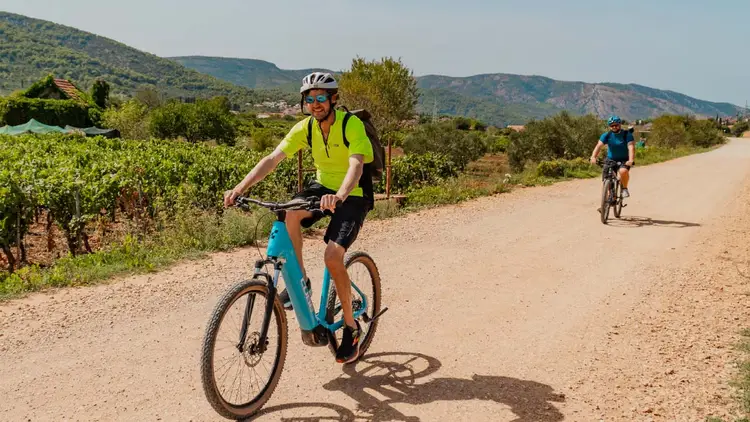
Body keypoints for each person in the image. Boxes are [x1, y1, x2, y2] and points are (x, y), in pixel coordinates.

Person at [223, 72, 374, 364]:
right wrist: (240, 188)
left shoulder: (350, 125)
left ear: (333, 100)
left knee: (332, 255)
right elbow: (272, 159)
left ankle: (351, 329)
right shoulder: (305, 128)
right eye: (309, 99)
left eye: (321, 98)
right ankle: (300, 286)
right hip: (322, 187)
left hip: (352, 193)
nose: (315, 104)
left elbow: (356, 165)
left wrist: (340, 195)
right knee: (288, 214)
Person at [589, 115, 635, 198]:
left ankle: (624, 188)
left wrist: (631, 160)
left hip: (624, 159)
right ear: (609, 126)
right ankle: (606, 202)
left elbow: (631, 147)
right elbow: (599, 146)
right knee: (607, 178)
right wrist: (593, 157)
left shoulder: (627, 135)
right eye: (612, 125)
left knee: (623, 171)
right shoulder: (606, 135)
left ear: (620, 124)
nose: (614, 127)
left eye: (616, 125)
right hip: (610, 159)